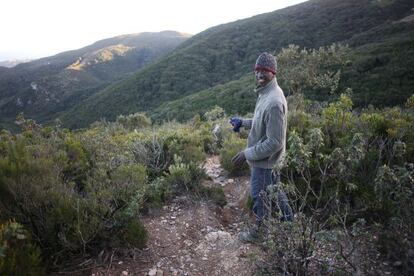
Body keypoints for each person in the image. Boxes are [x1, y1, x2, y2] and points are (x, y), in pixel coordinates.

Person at [230, 52, 293, 243]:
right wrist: (243, 123)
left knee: (260, 197)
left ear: (273, 72)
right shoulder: (266, 92)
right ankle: (290, 224)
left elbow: (275, 142)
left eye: (265, 71)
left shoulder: (274, 102)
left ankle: (259, 234)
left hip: (265, 162)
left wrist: (246, 153)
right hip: (268, 161)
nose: (260, 75)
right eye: (257, 71)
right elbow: (261, 123)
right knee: (275, 190)